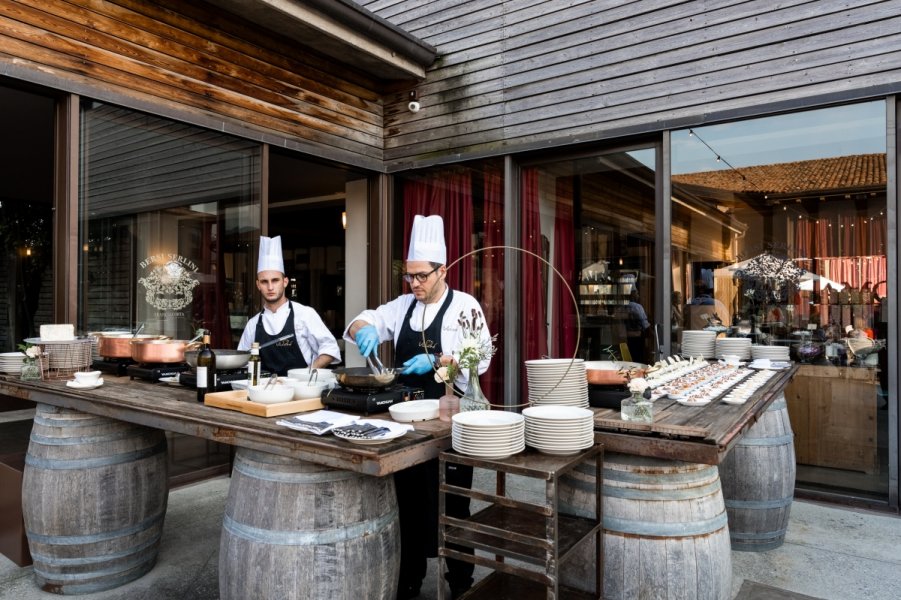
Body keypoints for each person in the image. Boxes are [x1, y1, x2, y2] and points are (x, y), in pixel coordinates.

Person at [344, 215, 492, 600]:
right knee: (407, 504)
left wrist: (442, 360)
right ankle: (408, 582)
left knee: (453, 505)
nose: (415, 284)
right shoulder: (403, 306)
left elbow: (484, 356)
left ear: (443, 270)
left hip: (450, 423)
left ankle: (461, 583)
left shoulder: (465, 306)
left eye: (422, 276)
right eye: (409, 277)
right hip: (408, 422)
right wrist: (366, 331)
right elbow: (363, 319)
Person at [238, 235, 340, 375]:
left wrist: (308, 373)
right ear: (258, 285)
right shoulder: (253, 325)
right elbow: (242, 362)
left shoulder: (305, 314)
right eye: (264, 282)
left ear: (285, 282)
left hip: (300, 391)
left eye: (275, 280)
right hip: (264, 392)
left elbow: (330, 348)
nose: (270, 287)